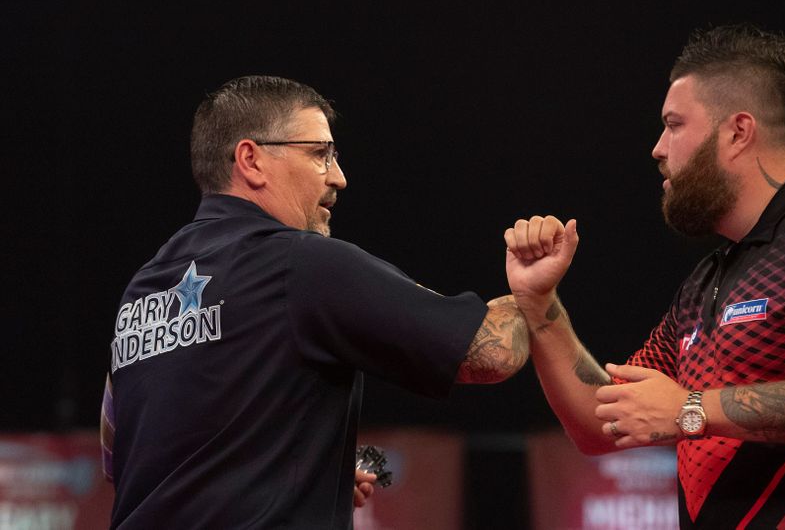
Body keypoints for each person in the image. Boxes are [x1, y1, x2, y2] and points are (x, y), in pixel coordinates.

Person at [504, 24, 785, 528]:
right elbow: (602, 425)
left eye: (673, 124)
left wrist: (691, 409)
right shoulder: (707, 280)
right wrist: (540, 305)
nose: (658, 149)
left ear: (738, 131)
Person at [100, 75, 529, 529]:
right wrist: (532, 295)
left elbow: (116, 454)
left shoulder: (145, 286)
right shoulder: (300, 264)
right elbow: (491, 354)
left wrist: (281, 470)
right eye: (319, 154)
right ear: (251, 160)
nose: (338, 177)